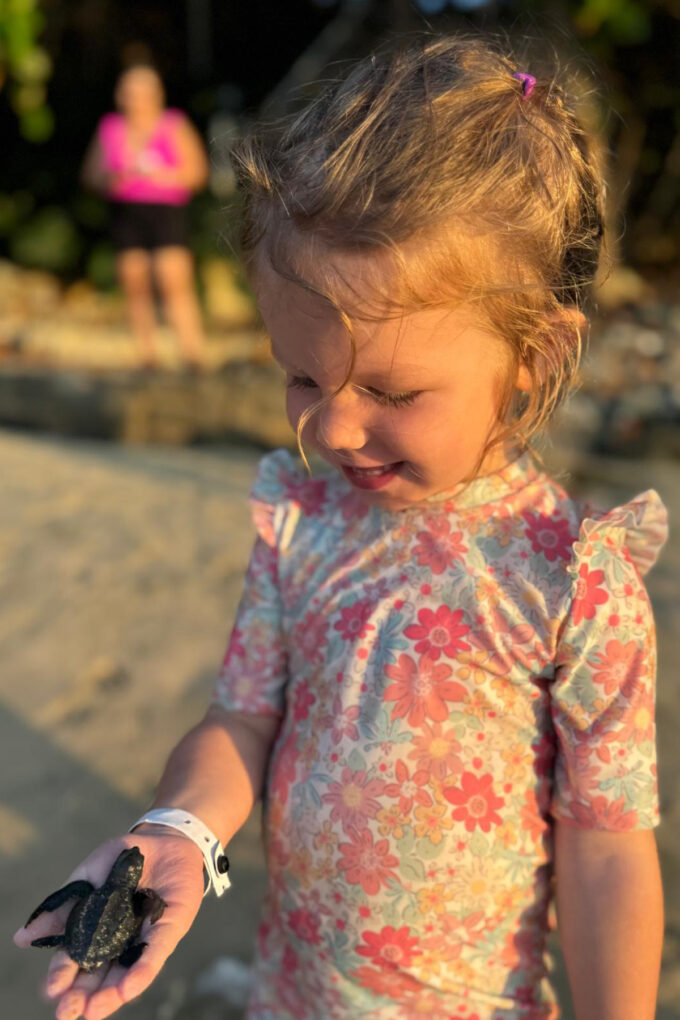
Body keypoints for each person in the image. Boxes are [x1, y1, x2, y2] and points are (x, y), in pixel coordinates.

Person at [16, 35, 666, 1020]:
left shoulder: (571, 580)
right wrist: (180, 828)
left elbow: (606, 848)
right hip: (293, 994)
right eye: (301, 377)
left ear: (532, 356)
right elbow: (243, 718)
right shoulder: (303, 523)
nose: (333, 427)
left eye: (390, 391)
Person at [81, 64, 209, 371]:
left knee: (173, 280)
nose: (136, 99)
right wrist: (114, 178)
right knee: (134, 282)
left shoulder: (174, 124)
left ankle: (192, 354)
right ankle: (147, 356)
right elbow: (91, 175)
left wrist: (163, 176)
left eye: (142, 92)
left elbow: (197, 173)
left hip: (166, 213)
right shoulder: (110, 128)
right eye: (129, 92)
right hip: (126, 213)